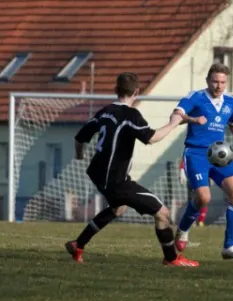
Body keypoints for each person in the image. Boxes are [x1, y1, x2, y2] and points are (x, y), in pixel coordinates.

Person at [65, 72, 199, 267]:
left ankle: (79, 244)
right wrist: (173, 123)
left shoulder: (105, 112)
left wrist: (79, 155)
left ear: (115, 90)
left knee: (118, 208)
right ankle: (171, 259)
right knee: (163, 213)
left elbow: (79, 138)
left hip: (97, 173)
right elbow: (151, 138)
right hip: (116, 180)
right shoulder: (130, 116)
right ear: (137, 92)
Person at [169, 63, 233, 261]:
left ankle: (230, 246)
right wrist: (192, 119)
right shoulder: (196, 97)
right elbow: (177, 114)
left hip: (219, 153)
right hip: (196, 153)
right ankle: (183, 229)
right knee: (204, 198)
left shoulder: (231, 102)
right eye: (215, 81)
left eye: (223, 82)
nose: (219, 86)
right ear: (208, 81)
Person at [179, 158, 207, 227]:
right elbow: (184, 159)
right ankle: (192, 221)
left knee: (204, 199)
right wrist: (182, 171)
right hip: (192, 178)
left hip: (203, 177)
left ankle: (201, 221)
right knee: (192, 200)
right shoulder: (190, 150)